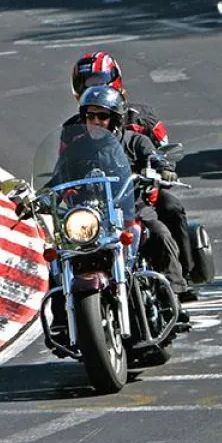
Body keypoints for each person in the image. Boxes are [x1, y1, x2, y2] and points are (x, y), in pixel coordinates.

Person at [69, 51, 197, 300]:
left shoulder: (140, 119)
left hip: (141, 192)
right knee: (63, 245)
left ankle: (180, 280)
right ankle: (64, 312)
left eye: (98, 80)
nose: (96, 120)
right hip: (95, 203)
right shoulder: (74, 128)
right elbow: (63, 166)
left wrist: (162, 170)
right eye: (87, 83)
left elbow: (163, 151)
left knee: (170, 210)